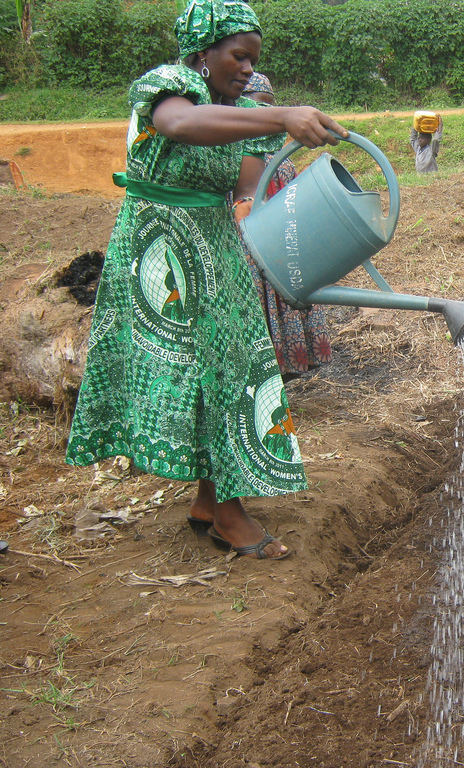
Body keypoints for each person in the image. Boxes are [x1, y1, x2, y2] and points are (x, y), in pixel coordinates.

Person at [65, 0, 348, 560]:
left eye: (254, 61)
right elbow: (180, 125)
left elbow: (247, 191)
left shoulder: (237, 111)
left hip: (216, 247)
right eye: (239, 57)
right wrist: (278, 115)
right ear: (204, 51)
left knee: (233, 365)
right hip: (160, 248)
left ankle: (210, 501)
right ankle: (229, 515)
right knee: (201, 368)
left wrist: (310, 211)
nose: (247, 69)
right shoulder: (167, 85)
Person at [234, 72, 333, 378]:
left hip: (285, 248)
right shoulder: (230, 156)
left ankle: (294, 364)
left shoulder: (283, 160)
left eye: (269, 106)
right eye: (255, 106)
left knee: (290, 303)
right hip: (250, 253)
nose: (264, 115)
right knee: (261, 308)